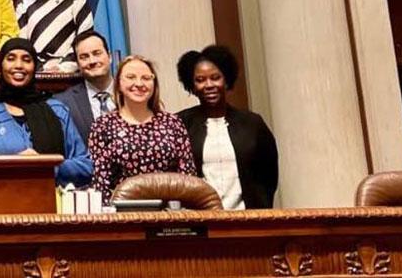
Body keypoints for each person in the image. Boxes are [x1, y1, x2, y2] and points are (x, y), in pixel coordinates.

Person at [0, 39, 93, 187]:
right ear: (1, 66)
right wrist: (17, 165)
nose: (18, 65)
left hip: (54, 203)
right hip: (3, 201)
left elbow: (85, 166)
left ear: (34, 67)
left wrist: (47, 166)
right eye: (11, 59)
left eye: (26, 60)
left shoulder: (57, 110)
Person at [177, 45, 279, 210]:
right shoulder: (180, 123)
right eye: (200, 80)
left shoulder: (252, 124)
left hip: (247, 220)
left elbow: (268, 175)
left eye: (215, 77)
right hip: (200, 222)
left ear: (226, 80)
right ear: (192, 85)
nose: (209, 85)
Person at [89, 55, 195, 200]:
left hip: (170, 213)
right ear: (118, 84)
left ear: (154, 84)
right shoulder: (103, 125)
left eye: (146, 78)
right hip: (123, 214)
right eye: (131, 77)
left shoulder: (172, 123)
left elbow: (187, 176)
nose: (139, 83)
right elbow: (101, 182)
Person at [54, 31, 116, 144]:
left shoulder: (130, 93)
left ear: (110, 57)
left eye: (97, 53)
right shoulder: (63, 103)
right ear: (78, 64)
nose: (92, 61)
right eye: (84, 57)